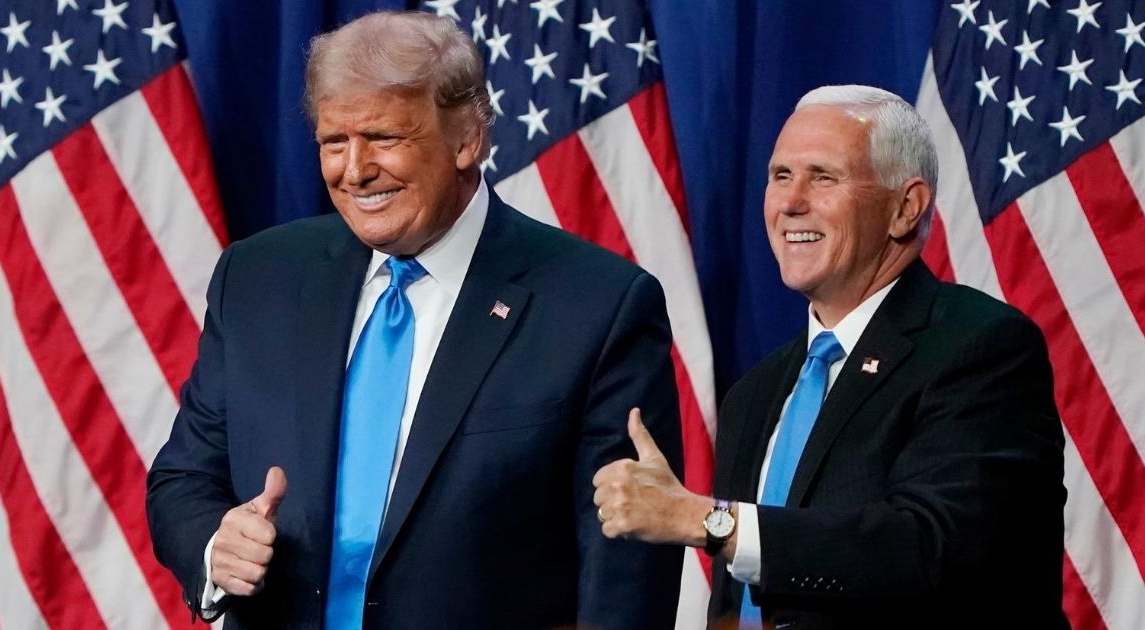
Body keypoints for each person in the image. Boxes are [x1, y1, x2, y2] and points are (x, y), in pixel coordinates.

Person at [146, 11, 684, 629]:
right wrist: (218, 548)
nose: (354, 170)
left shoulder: (597, 306)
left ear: (466, 141)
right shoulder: (258, 279)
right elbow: (185, 478)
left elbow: (625, 567)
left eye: (383, 138)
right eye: (333, 142)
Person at [592, 85, 1067, 629]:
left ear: (904, 208)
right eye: (780, 176)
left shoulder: (982, 348)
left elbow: (929, 548)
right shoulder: (756, 394)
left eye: (823, 177)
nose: (791, 202)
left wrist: (706, 520)